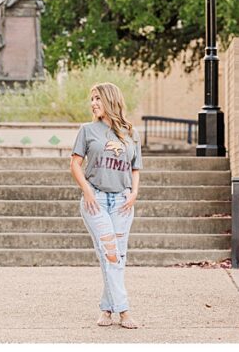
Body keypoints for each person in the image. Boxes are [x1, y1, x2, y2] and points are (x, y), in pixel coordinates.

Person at [70, 83, 143, 329]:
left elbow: (135, 167)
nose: (93, 103)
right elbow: (75, 164)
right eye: (92, 99)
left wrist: (134, 193)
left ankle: (106, 308)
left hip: (122, 202)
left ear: (111, 100)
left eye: (98, 99)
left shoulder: (131, 133)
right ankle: (124, 311)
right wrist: (87, 191)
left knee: (115, 258)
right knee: (111, 254)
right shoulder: (88, 130)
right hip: (97, 201)